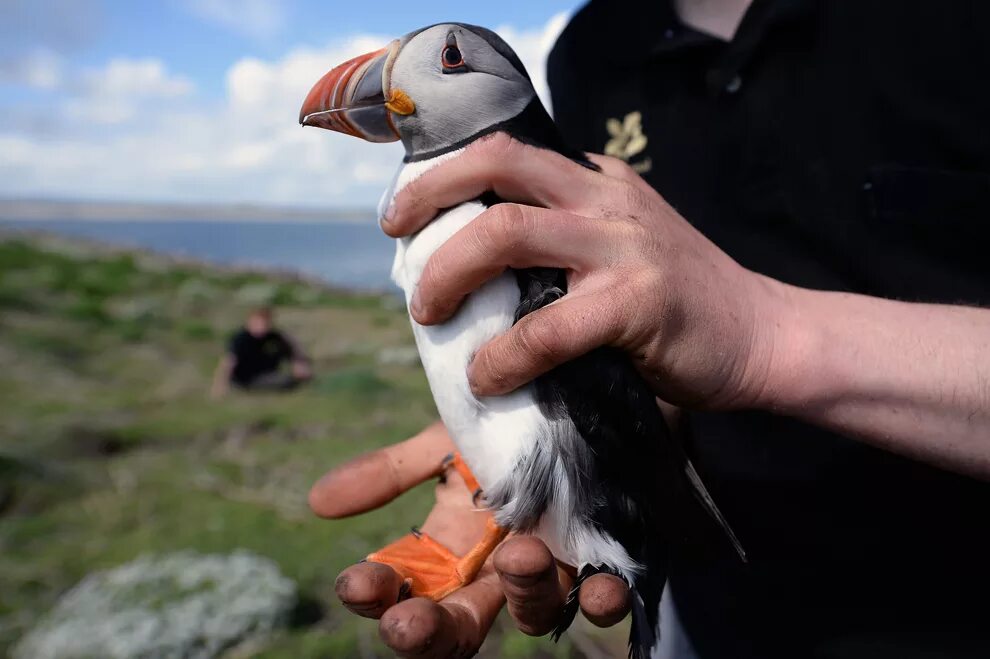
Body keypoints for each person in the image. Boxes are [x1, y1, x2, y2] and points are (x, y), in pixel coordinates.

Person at [309, 1, 990, 657]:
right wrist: (510, 447)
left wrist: (763, 336)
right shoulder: (593, 50)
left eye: (450, 57)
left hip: (951, 605)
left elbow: (710, 323)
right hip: (714, 605)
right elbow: (620, 326)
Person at [210, 306, 312, 397]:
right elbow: (228, 362)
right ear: (250, 322)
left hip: (265, 372)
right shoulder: (241, 338)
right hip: (246, 378)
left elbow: (292, 349)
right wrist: (219, 386)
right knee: (286, 382)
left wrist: (299, 364)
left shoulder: (273, 336)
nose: (261, 327)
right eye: (258, 323)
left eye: (265, 323)